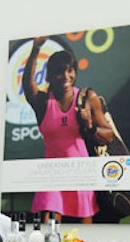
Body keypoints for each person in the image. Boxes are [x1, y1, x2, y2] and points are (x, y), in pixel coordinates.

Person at [22, 36, 113, 224]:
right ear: (49, 76)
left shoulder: (88, 97)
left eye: (70, 71)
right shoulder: (42, 102)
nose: (66, 76)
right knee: (46, 229)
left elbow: (108, 135)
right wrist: (36, 47)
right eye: (59, 72)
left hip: (81, 174)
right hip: (50, 175)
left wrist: (90, 126)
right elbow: (27, 84)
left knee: (82, 237)